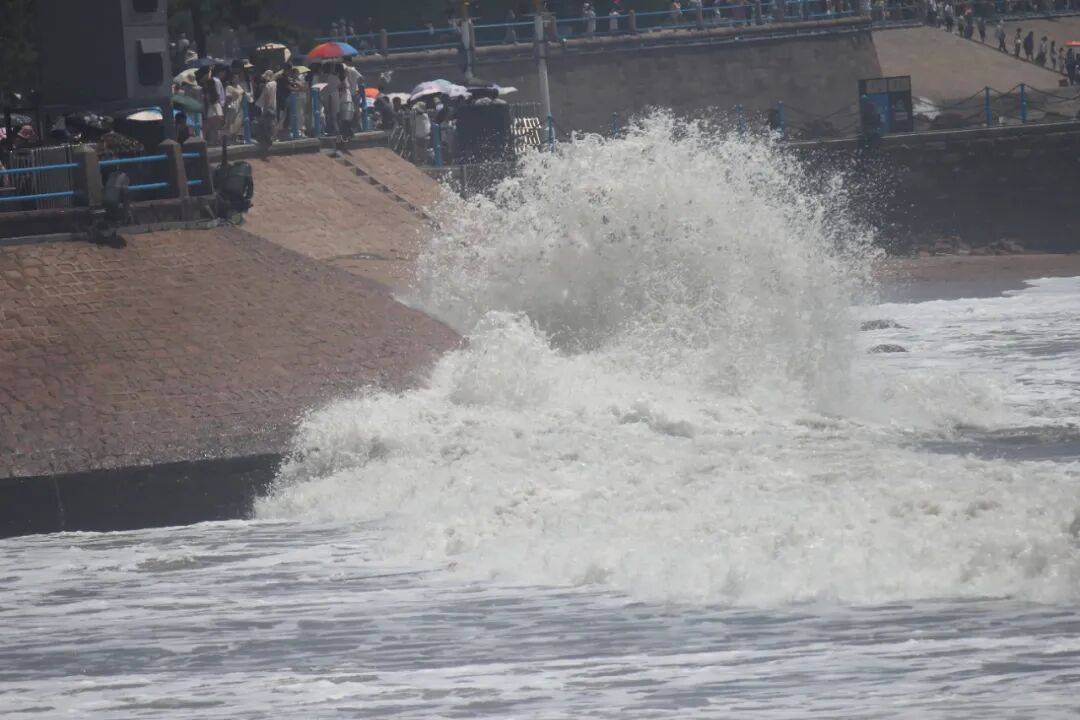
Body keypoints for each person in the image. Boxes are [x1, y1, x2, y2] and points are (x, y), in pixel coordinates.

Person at [255, 70, 277, 145]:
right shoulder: (275, 83)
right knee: (272, 123)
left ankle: (266, 140)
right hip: (273, 106)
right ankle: (272, 138)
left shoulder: (268, 85)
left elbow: (267, 99)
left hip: (267, 107)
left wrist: (264, 111)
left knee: (265, 124)